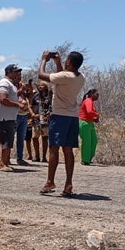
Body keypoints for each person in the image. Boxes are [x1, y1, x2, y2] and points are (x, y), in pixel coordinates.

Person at [38, 50, 85, 197]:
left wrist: (44, 59)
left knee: (53, 149)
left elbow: (41, 75)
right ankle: (68, 183)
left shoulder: (65, 76)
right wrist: (58, 63)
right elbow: (61, 77)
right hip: (72, 116)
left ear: (69, 62)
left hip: (59, 116)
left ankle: (50, 180)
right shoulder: (80, 77)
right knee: (68, 150)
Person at [0, 64, 27, 172]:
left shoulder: (10, 84)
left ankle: (4, 162)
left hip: (9, 115)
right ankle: (3, 164)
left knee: (9, 138)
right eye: (15, 71)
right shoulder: (4, 83)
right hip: (4, 116)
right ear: (8, 72)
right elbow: (3, 99)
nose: (17, 73)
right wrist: (18, 105)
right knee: (6, 139)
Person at [79, 88, 100, 165]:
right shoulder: (88, 101)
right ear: (92, 94)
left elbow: (89, 113)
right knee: (87, 142)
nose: (98, 96)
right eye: (97, 94)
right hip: (84, 123)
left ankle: (89, 158)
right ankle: (85, 160)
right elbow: (89, 111)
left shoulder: (91, 102)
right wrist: (97, 115)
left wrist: (94, 119)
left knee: (94, 141)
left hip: (90, 123)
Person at [32, 82, 52, 162]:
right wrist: (33, 114)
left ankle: (44, 157)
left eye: (42, 85)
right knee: (35, 138)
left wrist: (48, 114)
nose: (40, 86)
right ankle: (37, 156)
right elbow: (30, 106)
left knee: (44, 138)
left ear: (46, 87)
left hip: (45, 119)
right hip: (36, 120)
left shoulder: (49, 96)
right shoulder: (36, 96)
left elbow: (51, 106)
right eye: (39, 85)